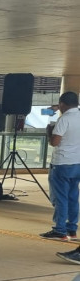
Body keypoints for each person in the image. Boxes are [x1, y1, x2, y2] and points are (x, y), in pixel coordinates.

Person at [40, 92, 80, 242]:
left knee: (60, 198)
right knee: (73, 197)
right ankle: (72, 230)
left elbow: (55, 142)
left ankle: (59, 230)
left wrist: (49, 133)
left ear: (62, 104)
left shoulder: (64, 119)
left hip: (62, 163)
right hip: (77, 162)